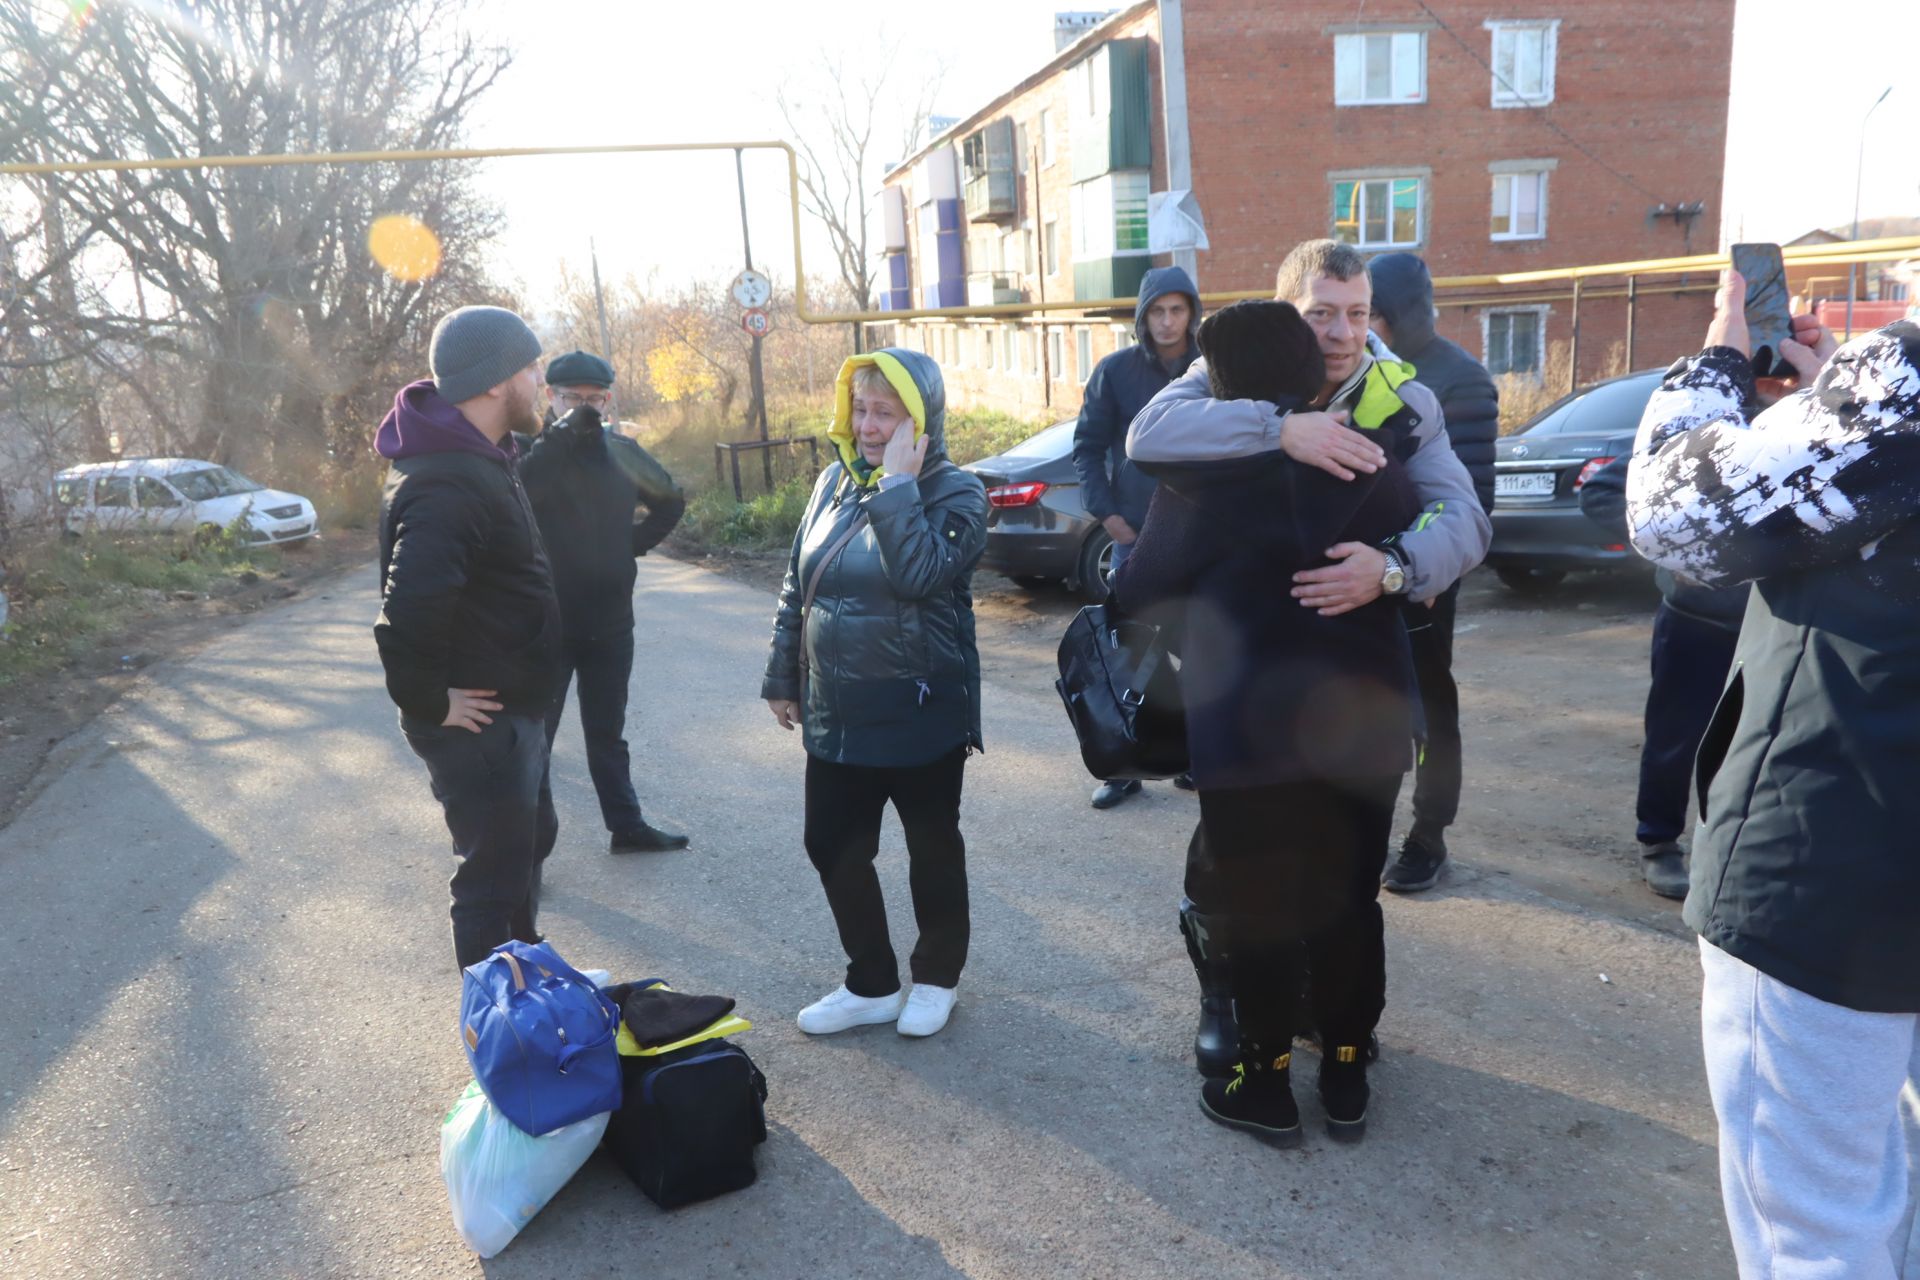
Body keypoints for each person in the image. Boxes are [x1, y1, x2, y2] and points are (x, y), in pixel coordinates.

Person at [1129, 239, 1491, 1077]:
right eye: (1321, 313)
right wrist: (1279, 428)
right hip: (1240, 666)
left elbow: (1464, 520)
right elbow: (1150, 436)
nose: (1340, 333)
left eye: (1357, 314)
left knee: (1333, 865)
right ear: (1288, 311)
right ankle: (1223, 997)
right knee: (1233, 855)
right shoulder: (1225, 373)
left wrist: (1395, 567)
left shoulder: (1404, 402)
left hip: (1347, 670)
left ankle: (1314, 1010)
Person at [1626, 275, 1920, 1277]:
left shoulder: (1902, 393)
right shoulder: (1878, 404)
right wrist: (1824, 400)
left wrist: (1712, 365)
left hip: (1835, 860)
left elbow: (1670, 514)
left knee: (1818, 1233)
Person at [1115, 300, 1422, 1145]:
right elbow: (1413, 544)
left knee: (1258, 907)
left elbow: (1138, 596)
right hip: (1365, 724)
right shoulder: (1370, 461)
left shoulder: (1198, 485)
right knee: (1352, 897)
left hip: (1249, 733)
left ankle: (1265, 1084)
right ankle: (1350, 1069)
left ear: (1224, 384)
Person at [761, 349, 988, 1040]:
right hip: (837, 706)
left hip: (919, 709)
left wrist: (896, 488)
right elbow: (800, 584)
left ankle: (938, 978)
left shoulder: (958, 493)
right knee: (831, 843)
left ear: (919, 422)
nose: (866, 426)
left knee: (931, 847)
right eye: (860, 409)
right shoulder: (831, 481)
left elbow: (919, 575)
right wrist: (782, 676)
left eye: (885, 414)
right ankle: (872, 983)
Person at [373, 305, 560, 970]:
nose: (541, 379)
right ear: (492, 383)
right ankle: (502, 1048)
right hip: (477, 723)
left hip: (512, 710)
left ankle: (530, 980)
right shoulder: (448, 479)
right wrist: (430, 700)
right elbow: (408, 612)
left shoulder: (484, 456)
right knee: (491, 881)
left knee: (527, 850)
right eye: (531, 368)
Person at [520, 350, 690, 857]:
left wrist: (630, 545)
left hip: (611, 620)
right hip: (546, 623)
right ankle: (528, 851)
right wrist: (559, 436)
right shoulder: (530, 451)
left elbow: (670, 500)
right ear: (550, 397)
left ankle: (627, 827)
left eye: (595, 399)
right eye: (573, 398)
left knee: (607, 734)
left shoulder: (620, 450)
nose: (585, 409)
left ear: (609, 399)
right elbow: (519, 494)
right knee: (536, 742)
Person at [1367, 253, 1499, 892]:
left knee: (1429, 710)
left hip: (1423, 583)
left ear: (1389, 315)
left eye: (1366, 312)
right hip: (1361, 577)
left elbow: (1471, 499)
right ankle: (1364, 824)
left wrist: (1421, 572)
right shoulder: (1362, 367)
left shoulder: (1459, 378)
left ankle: (1428, 836)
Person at [1577, 454, 1745, 898]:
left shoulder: (1810, 421)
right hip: (1696, 621)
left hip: (1779, 624)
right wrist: (1675, 546)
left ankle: (1738, 848)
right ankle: (1659, 842)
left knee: (1759, 744)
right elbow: (1602, 491)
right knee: (1675, 739)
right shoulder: (1697, 419)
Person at [1070, 266, 1203, 810]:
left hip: (1197, 537)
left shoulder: (1210, 371)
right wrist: (1107, 515)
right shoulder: (1115, 371)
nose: (1168, 321)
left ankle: (1196, 757)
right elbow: (1087, 447)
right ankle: (1123, 767)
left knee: (1200, 650)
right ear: (1142, 316)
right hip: (1134, 536)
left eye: (1177, 309)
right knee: (1127, 652)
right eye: (1157, 311)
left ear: (1192, 313)